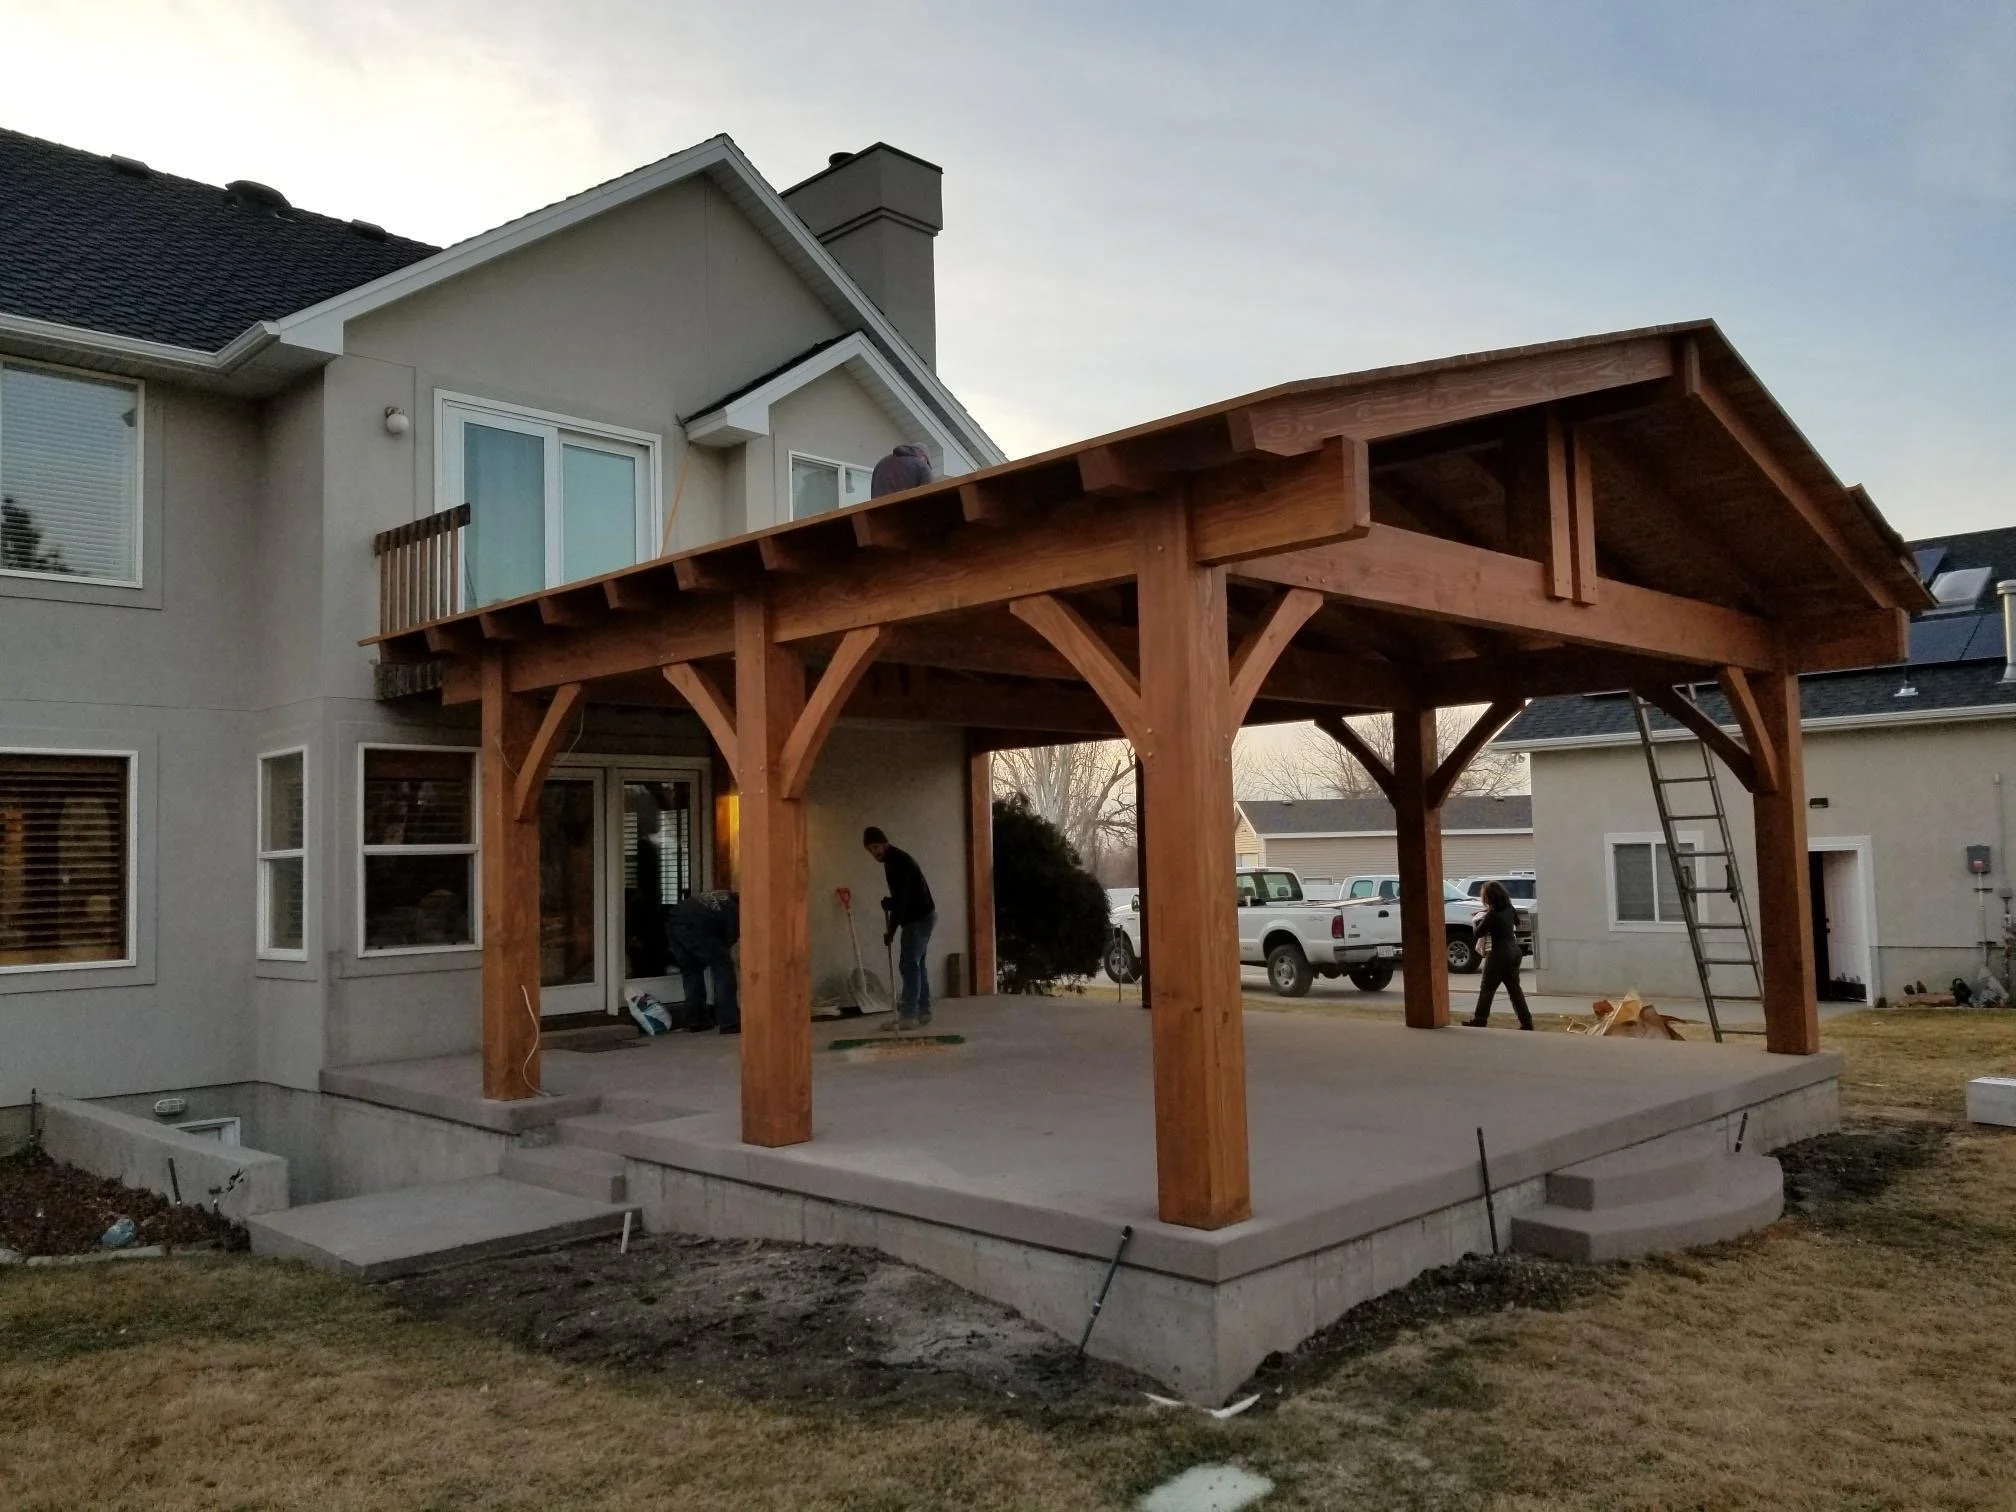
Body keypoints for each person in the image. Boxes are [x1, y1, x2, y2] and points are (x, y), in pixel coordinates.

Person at [863, 826, 936, 1029]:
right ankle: (923, 1012)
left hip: (918, 918)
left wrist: (892, 929)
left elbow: (902, 900)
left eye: (877, 847)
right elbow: (900, 899)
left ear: (885, 843)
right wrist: (892, 907)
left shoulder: (897, 862)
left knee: (909, 965)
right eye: (871, 849)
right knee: (917, 964)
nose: (875, 852)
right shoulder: (892, 861)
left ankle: (909, 1016)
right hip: (923, 916)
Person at [666, 890, 741, 1035]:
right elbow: (730, 937)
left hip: (675, 919)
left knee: (691, 971)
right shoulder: (735, 909)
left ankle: (696, 1021)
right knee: (723, 967)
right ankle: (729, 1022)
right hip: (697, 925)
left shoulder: (720, 896)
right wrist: (718, 953)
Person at [1464, 880, 1533, 1030]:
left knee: (1487, 988)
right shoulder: (1510, 908)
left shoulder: (1492, 915)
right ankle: (1526, 1022)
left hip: (1498, 953)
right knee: (1515, 989)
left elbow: (1478, 932)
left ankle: (1480, 1019)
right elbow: (1517, 922)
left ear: (1488, 898)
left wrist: (1477, 919)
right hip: (1514, 951)